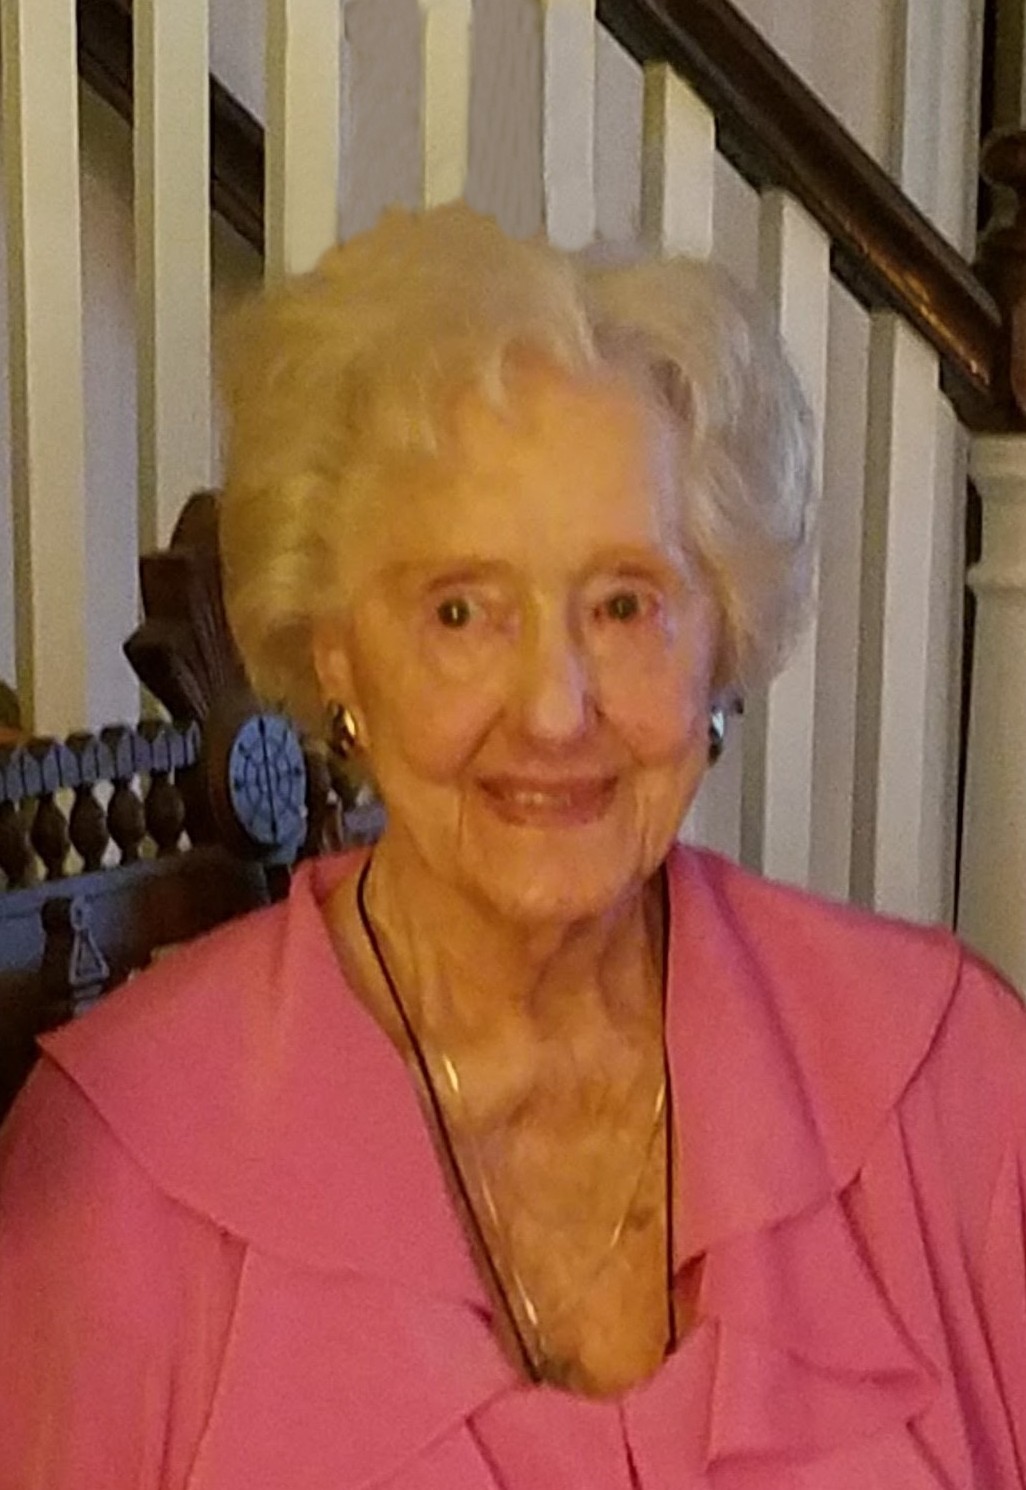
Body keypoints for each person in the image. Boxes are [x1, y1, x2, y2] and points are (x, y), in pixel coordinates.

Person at [1, 203, 1024, 1489]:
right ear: (337, 651)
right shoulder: (127, 1167)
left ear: (722, 635)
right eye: (461, 610)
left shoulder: (947, 1075)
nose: (553, 709)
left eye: (624, 604)